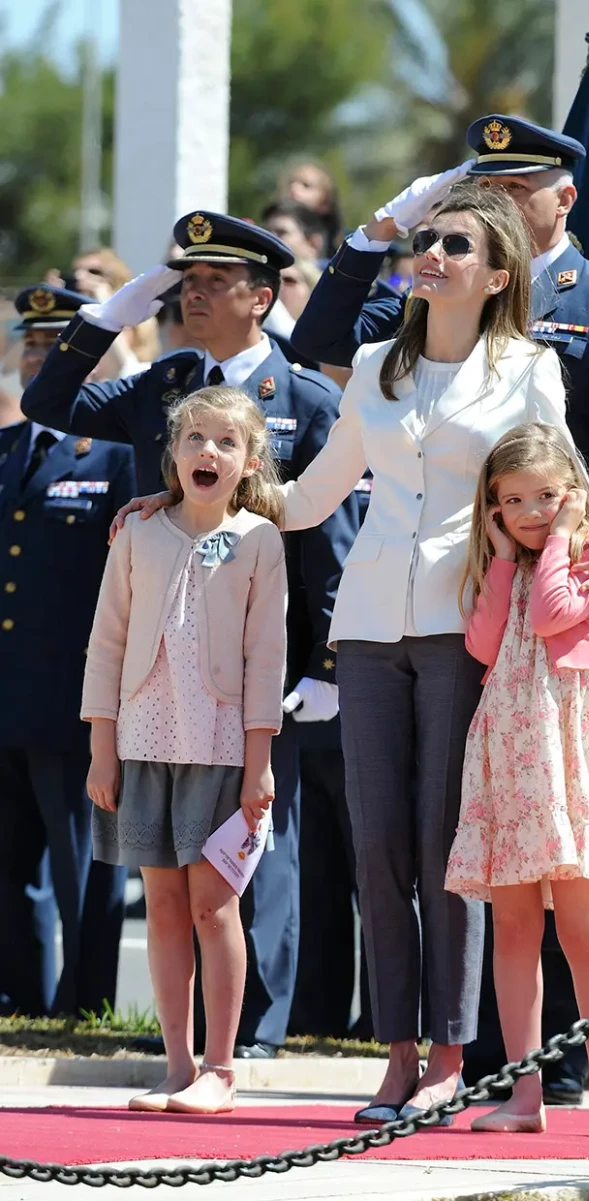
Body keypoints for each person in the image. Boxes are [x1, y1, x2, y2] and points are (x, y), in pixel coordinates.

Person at [292, 115, 589, 1103]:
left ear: (496, 271)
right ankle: (396, 1051)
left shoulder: (529, 370)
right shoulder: (378, 368)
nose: (430, 254)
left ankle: (456, 1055)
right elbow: (310, 495)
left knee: (447, 843)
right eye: (425, 241)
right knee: (379, 848)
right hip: (371, 623)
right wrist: (188, 500)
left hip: (473, 627)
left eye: (452, 242)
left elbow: (572, 490)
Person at [21, 212, 360, 1059]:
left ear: (262, 295)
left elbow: (330, 548)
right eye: (186, 281)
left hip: (256, 664)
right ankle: (188, 1039)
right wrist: (107, 317)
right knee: (174, 862)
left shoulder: (307, 399)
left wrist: (323, 666)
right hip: (160, 665)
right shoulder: (164, 379)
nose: (192, 294)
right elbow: (45, 401)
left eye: (214, 282)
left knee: (253, 844)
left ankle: (256, 1032)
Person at [446, 422, 589, 1136]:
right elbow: (482, 642)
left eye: (546, 496)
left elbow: (552, 616)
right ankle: (523, 1094)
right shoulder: (503, 558)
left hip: (573, 749)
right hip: (510, 749)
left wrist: (565, 533)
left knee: (581, 928)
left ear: (572, 492)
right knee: (510, 928)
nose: (532, 512)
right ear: (493, 508)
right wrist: (503, 559)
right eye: (513, 500)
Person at [84, 385, 287, 1115]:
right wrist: (102, 747)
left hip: (221, 746)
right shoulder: (137, 533)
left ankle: (221, 1066)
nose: (208, 450)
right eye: (194, 438)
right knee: (163, 905)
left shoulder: (261, 542)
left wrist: (258, 762)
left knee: (213, 905)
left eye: (226, 442)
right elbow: (106, 641)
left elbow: (268, 657)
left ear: (251, 462)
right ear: (170, 454)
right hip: (140, 740)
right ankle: (176, 1063)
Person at [0, 283, 134, 1017]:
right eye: (31, 343)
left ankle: (85, 1000)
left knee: (83, 863)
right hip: (8, 695)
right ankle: (18, 992)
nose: (37, 356)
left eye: (54, 346)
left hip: (74, 698)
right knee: (9, 865)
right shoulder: (5, 448)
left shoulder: (116, 455)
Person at [278, 159, 342, 257]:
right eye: (291, 183)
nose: (294, 188)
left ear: (325, 203)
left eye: (306, 185)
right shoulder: (274, 222)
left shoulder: (337, 247)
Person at [261, 201, 327, 265]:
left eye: (282, 232)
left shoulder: (335, 274)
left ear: (313, 244)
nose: (270, 238)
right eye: (268, 232)